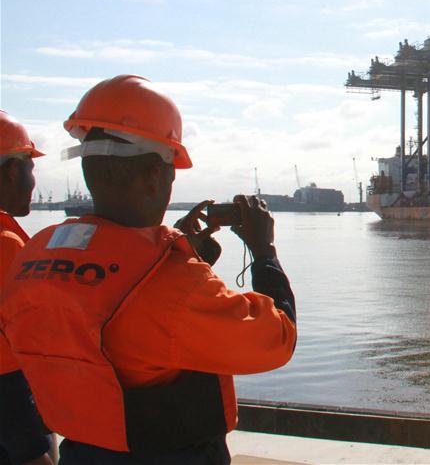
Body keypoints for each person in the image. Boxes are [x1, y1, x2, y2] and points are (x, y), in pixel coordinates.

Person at [0, 76, 297, 464]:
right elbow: (275, 340)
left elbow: (108, 304)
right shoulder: (174, 282)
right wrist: (264, 251)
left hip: (83, 452)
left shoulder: (33, 256)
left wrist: (172, 253)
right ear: (157, 176)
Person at [0, 111, 56, 465]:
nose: (32, 179)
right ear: (11, 171)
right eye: (30, 167)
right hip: (10, 392)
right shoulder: (6, 246)